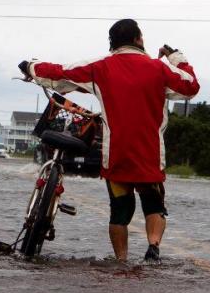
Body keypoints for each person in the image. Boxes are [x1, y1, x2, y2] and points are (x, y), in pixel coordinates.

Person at [25, 19, 201, 262]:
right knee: (153, 204)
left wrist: (31, 67)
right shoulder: (159, 69)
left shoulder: (101, 67)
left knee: (119, 211)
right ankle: (153, 247)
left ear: (112, 44)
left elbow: (61, 71)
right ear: (139, 39)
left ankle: (121, 261)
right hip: (149, 153)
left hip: (117, 153)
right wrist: (176, 57)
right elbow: (191, 86)